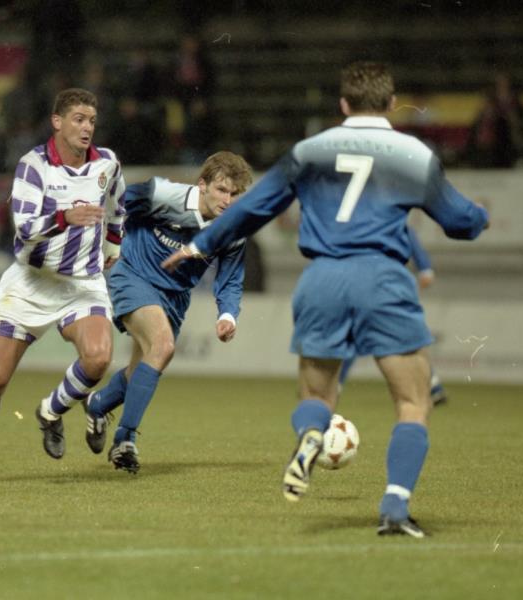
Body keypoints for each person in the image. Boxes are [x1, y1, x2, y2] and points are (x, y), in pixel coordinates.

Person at [162, 62, 489, 537]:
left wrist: (201, 244)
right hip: (382, 277)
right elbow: (459, 221)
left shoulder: (309, 151)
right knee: (413, 401)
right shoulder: (414, 153)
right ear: (391, 104)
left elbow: (253, 208)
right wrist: (478, 217)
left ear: (343, 104)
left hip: (322, 279)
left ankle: (311, 434)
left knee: (316, 396)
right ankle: (395, 507)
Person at [0, 88, 126, 483]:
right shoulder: (33, 166)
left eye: (91, 121)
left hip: (82, 283)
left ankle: (50, 410)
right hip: (31, 284)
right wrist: (66, 217)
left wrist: (113, 243)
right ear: (57, 122)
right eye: (79, 119)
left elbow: (118, 204)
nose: (87, 128)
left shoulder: (107, 163)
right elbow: (25, 228)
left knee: (98, 358)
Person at [83, 151, 253, 473]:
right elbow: (117, 202)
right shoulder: (163, 195)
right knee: (162, 346)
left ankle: (98, 404)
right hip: (133, 275)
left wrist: (227, 316)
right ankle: (125, 440)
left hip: (175, 297)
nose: (227, 200)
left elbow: (231, 280)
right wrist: (109, 242)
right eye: (221, 190)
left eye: (234, 194)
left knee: (143, 368)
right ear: (202, 185)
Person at [338, 228, 447, 406]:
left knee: (353, 337)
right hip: (387, 288)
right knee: (408, 340)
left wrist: (424, 270)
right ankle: (433, 385)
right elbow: (425, 270)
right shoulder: (392, 222)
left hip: (376, 288)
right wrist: (424, 270)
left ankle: (334, 386)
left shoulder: (365, 224)